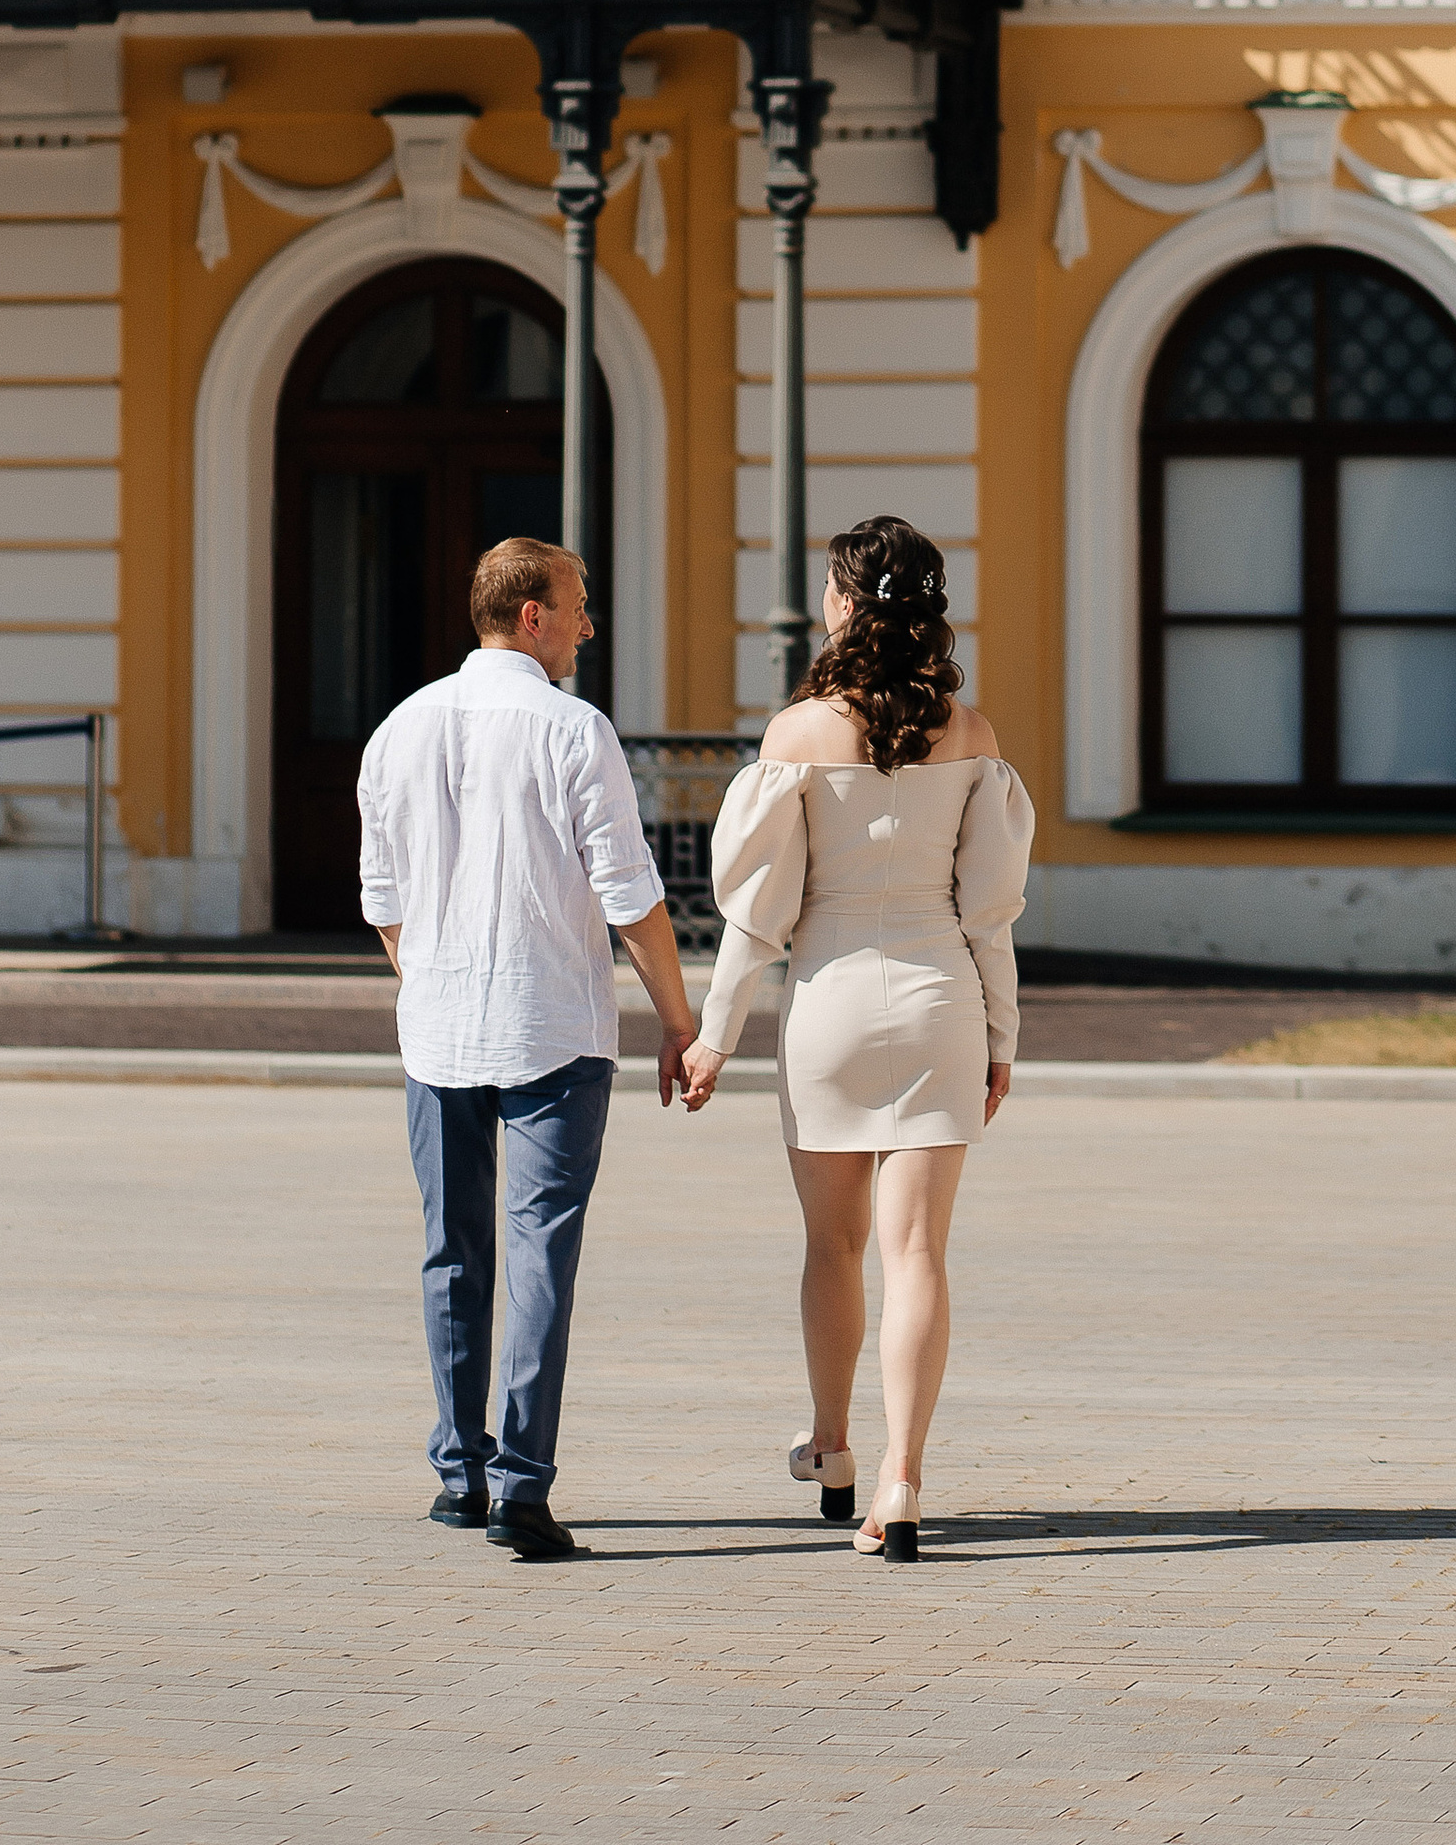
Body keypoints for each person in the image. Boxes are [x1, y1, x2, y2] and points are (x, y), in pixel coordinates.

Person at [682, 513, 1034, 1565]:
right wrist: (1003, 1036)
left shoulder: (794, 739)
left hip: (827, 1002)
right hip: (940, 1004)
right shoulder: (972, 737)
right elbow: (990, 916)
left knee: (829, 1246)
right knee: (917, 1251)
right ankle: (902, 1479)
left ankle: (831, 1450)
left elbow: (757, 915)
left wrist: (712, 1036)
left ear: (842, 605)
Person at [358, 532, 710, 1563]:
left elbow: (384, 905)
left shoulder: (397, 729)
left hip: (437, 1034)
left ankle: (460, 1473)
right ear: (533, 617)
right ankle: (522, 1486)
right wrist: (677, 1022)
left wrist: (429, 987)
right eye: (580, 603)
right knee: (538, 1254)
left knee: (449, 1252)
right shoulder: (572, 728)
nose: (589, 623)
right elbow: (631, 896)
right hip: (551, 1025)